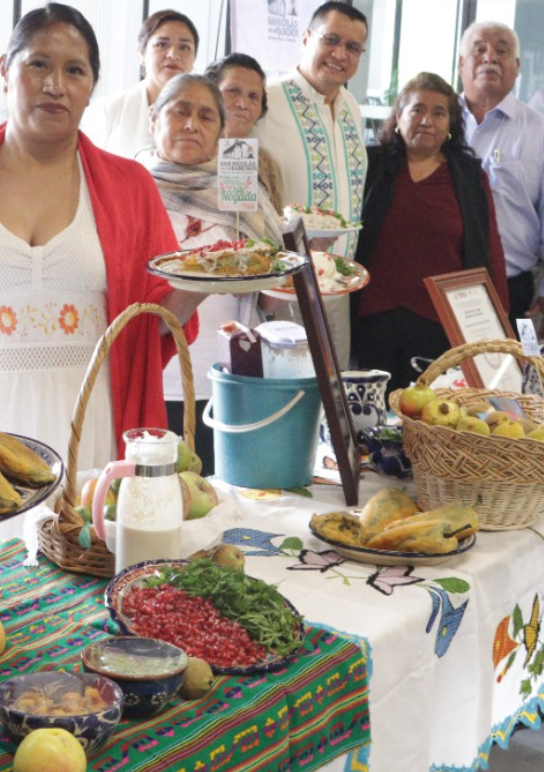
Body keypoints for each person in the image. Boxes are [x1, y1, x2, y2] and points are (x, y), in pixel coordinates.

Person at [0, 3, 201, 479]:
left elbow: (154, 321)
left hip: (92, 416)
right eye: (39, 64)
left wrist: (216, 278)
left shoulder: (131, 186)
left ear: (91, 86)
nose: (56, 84)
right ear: (5, 70)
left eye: (74, 70)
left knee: (83, 545)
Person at [138, 73, 283, 474]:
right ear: (154, 118)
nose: (191, 124)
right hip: (153, 376)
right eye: (179, 111)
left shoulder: (242, 196)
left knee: (217, 503)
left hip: (228, 378)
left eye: (205, 117)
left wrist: (314, 254)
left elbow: (271, 298)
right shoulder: (129, 189)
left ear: (220, 131)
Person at [353, 72, 506, 391]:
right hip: (375, 316)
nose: (427, 120)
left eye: (439, 112)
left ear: (451, 124)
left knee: (431, 418)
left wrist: (498, 319)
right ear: (398, 117)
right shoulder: (370, 165)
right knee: (374, 420)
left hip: (443, 322)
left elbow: (489, 246)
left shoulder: (469, 176)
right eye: (417, 109)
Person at [251, 1, 370, 363]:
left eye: (352, 47)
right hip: (283, 287)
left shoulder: (351, 105)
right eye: (331, 39)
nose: (340, 54)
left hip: (337, 286)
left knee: (331, 405)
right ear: (305, 38)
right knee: (286, 397)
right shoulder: (265, 100)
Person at [457, 20, 544, 338]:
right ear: (461, 63)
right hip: (437, 284)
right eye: (479, 49)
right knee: (431, 379)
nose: (490, 58)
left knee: (513, 380)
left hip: (514, 289)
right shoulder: (435, 124)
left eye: (501, 51)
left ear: (516, 66)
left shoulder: (541, 134)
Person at [82, 9, 198, 158]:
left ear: (194, 57)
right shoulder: (109, 110)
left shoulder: (206, 114)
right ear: (141, 53)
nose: (173, 54)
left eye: (184, 47)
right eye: (162, 44)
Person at [207, 53, 284, 204]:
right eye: (233, 91)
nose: (243, 104)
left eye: (253, 96)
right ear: (208, 94)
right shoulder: (189, 153)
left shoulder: (265, 165)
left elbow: (276, 221)